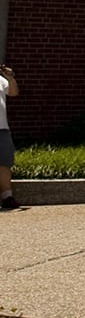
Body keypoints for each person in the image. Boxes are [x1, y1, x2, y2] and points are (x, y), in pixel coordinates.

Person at [0, 61, 18, 210]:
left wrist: (10, 78)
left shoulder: (1, 80)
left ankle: (7, 196)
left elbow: (13, 93)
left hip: (2, 128)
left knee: (5, 163)